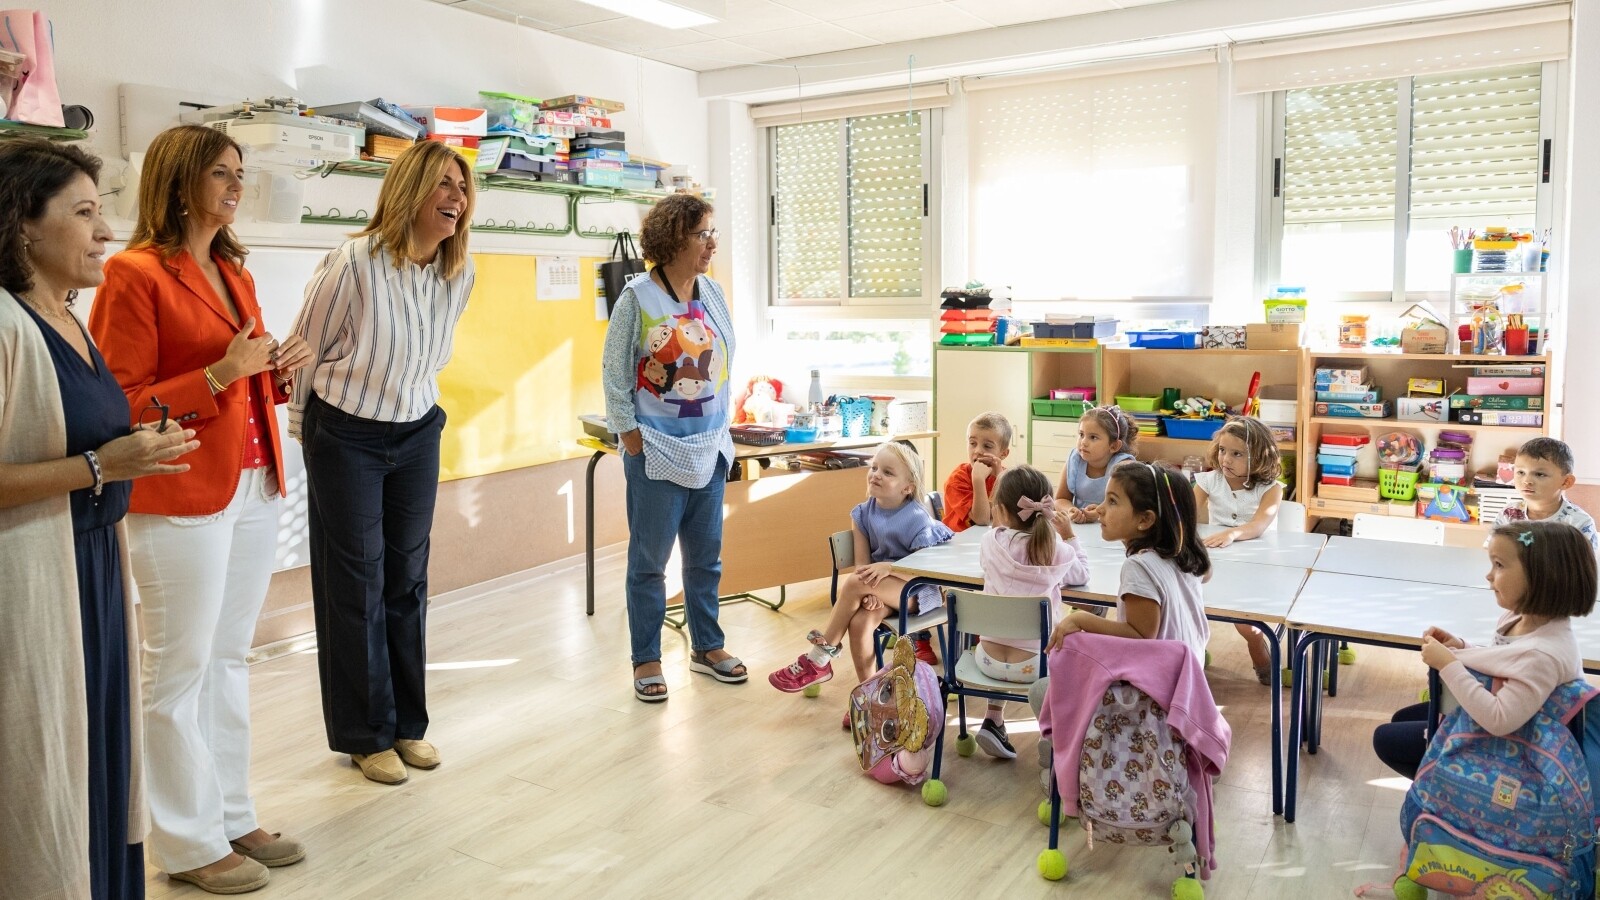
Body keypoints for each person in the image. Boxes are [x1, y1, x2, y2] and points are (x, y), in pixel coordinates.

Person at [90, 124, 310, 893]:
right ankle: (184, 844)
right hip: (180, 486)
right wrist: (219, 374)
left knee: (226, 659)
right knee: (178, 670)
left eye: (239, 172)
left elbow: (246, 377)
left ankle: (231, 812)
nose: (236, 184)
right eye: (221, 171)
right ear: (181, 181)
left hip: (252, 482)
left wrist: (273, 372)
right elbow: (115, 402)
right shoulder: (133, 273)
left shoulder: (232, 270)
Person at [0, 139, 198, 899]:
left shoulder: (72, 322)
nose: (105, 232)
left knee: (102, 755)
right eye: (84, 213)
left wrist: (134, 451)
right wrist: (99, 468)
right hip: (35, 579)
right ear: (22, 223)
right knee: (49, 770)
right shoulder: (10, 325)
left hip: (93, 573)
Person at [287, 140, 475, 785]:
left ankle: (406, 727)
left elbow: (431, 357)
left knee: (407, 580)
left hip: (417, 428)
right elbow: (303, 351)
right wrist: (299, 429)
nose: (456, 198)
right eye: (444, 185)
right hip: (347, 432)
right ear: (410, 191)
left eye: (462, 188)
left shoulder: (458, 274)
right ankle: (364, 734)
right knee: (355, 584)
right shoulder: (354, 262)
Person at [600, 193, 747, 703]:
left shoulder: (713, 294)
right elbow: (615, 373)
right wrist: (631, 437)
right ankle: (646, 657)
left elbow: (726, 362)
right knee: (649, 563)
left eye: (714, 233)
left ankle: (707, 646)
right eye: (703, 233)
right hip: (657, 449)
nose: (712, 243)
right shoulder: (637, 298)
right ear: (674, 238)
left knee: (705, 560)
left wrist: (724, 427)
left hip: (708, 445)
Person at [1372, 520, 1595, 780]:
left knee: (1385, 739)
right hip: (1517, 722)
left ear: (1541, 576)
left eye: (1499, 565)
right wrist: (1461, 647)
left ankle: (1454, 792)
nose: (1489, 575)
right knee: (1401, 718)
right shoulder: (1518, 618)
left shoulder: (1544, 655)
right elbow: (1505, 661)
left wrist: (1449, 665)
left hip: (1519, 751)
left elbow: (1499, 720)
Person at [769, 442, 953, 719]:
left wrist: (885, 570)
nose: (876, 474)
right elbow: (863, 564)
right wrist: (871, 589)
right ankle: (870, 701)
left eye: (888, 472)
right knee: (860, 621)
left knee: (855, 583)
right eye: (874, 467)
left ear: (908, 486)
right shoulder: (863, 513)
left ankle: (819, 658)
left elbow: (923, 570)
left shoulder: (917, 518)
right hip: (882, 589)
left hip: (916, 592)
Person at [970, 465, 1089, 759]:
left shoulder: (990, 543)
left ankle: (993, 717)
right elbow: (1082, 575)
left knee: (1005, 628)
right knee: (1077, 639)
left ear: (999, 510)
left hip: (986, 659)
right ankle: (1052, 732)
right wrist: (1069, 536)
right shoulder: (1056, 549)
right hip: (1036, 669)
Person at [1048, 460, 1211, 662]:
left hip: (1154, 684)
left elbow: (1141, 635)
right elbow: (1206, 573)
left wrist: (1081, 619)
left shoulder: (1139, 566)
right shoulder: (1182, 554)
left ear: (1145, 520)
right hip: (1186, 676)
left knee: (1046, 686)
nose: (1100, 509)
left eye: (1112, 501)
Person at [1192, 416, 1282, 685]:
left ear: (1259, 457)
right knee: (1188, 606)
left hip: (1257, 564)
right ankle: (1190, 654)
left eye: (1236, 454)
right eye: (1222, 450)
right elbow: (1187, 513)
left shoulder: (1271, 489)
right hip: (1215, 557)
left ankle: (1259, 651)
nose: (1225, 459)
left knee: (1247, 625)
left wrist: (1232, 533)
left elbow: (1257, 525)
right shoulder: (1209, 481)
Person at [1492, 437, 1597, 551]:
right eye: (1521, 472)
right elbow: (1498, 557)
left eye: (1540, 474)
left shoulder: (1579, 523)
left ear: (1566, 482)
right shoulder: (1508, 514)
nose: (1527, 480)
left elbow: (1584, 567)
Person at [1054, 405, 1137, 523]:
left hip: (1113, 531)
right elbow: (1060, 499)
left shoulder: (1123, 467)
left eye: (1093, 437)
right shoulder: (1075, 460)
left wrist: (1101, 512)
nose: (1083, 442)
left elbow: (1130, 508)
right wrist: (1070, 510)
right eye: (1081, 434)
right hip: (1082, 531)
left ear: (1113, 446)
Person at [941, 412, 1012, 531]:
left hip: (990, 540)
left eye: (987, 446)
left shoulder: (1007, 476)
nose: (978, 451)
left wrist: (1000, 478)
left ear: (1003, 453)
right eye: (972, 443)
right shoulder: (957, 479)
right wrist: (978, 480)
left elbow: (1008, 515)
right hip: (959, 544)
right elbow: (982, 519)